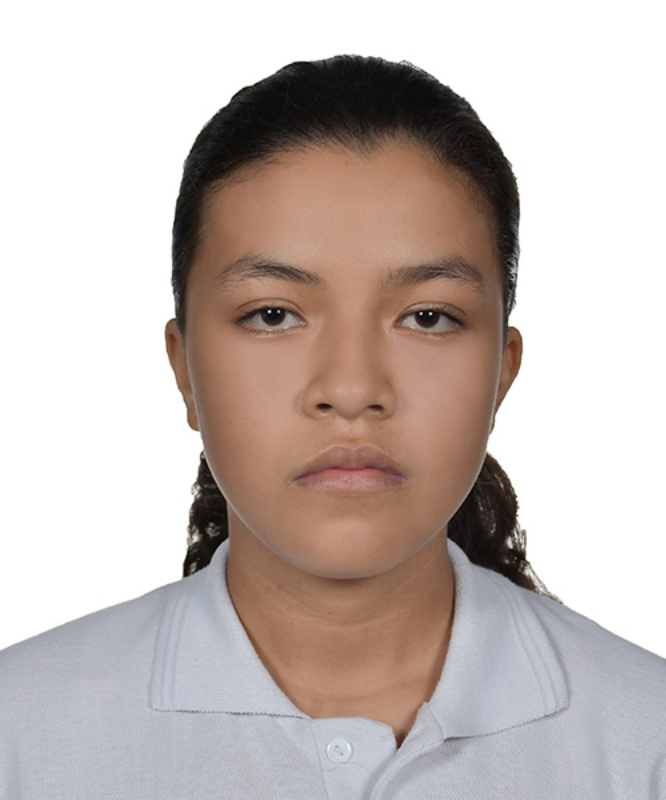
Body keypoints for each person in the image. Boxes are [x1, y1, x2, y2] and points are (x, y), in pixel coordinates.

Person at [1, 55, 664, 799]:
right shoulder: (22, 739)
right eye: (272, 314)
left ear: (501, 373)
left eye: (428, 317)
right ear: (184, 367)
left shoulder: (645, 743)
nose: (351, 390)